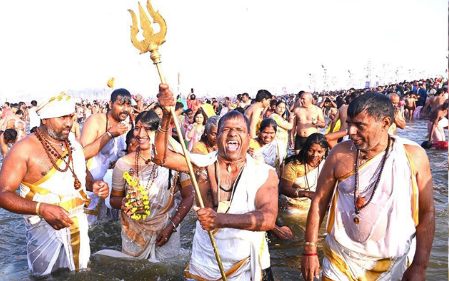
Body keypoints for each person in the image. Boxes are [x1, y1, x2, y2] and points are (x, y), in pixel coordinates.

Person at [301, 92, 435, 281]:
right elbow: (319, 201)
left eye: (360, 125)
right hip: (340, 258)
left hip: (392, 261)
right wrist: (310, 249)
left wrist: (420, 266)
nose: (351, 131)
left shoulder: (412, 156)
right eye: (349, 123)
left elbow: (427, 211)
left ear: (385, 123)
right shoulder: (340, 153)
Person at [155, 84, 278, 281]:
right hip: (206, 262)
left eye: (239, 130)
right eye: (226, 129)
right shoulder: (201, 165)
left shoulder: (264, 173)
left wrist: (219, 220)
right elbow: (161, 157)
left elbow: (268, 219)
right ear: (216, 136)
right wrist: (167, 116)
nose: (232, 133)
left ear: (248, 138)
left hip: (247, 264)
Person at [0, 93, 109, 276]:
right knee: (44, 276)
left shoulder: (72, 141)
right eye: (62, 117)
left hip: (77, 220)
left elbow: (78, 170)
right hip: (42, 227)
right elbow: (1, 195)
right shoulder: (23, 150)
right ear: (45, 119)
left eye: (71, 116)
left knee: (82, 273)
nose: (69, 122)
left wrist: (93, 184)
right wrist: (42, 209)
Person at [96, 111, 194, 261]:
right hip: (134, 233)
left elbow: (189, 197)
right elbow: (115, 200)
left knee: (166, 271)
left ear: (158, 131)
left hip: (167, 228)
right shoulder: (123, 164)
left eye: (147, 129)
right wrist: (124, 203)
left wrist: (171, 227)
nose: (141, 134)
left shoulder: (175, 161)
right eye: (137, 128)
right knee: (133, 271)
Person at [81, 88, 131, 225]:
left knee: (110, 225)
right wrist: (109, 134)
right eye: (121, 104)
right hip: (92, 184)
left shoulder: (125, 125)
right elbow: (82, 154)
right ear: (110, 104)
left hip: (112, 186)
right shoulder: (95, 121)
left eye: (128, 105)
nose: (125, 109)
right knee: (88, 228)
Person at [279, 133, 328, 212]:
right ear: (306, 149)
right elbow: (283, 188)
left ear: (325, 151)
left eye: (319, 152)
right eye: (311, 151)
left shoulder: (325, 164)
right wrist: (306, 193)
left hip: (314, 200)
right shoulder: (294, 165)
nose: (315, 155)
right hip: (293, 203)